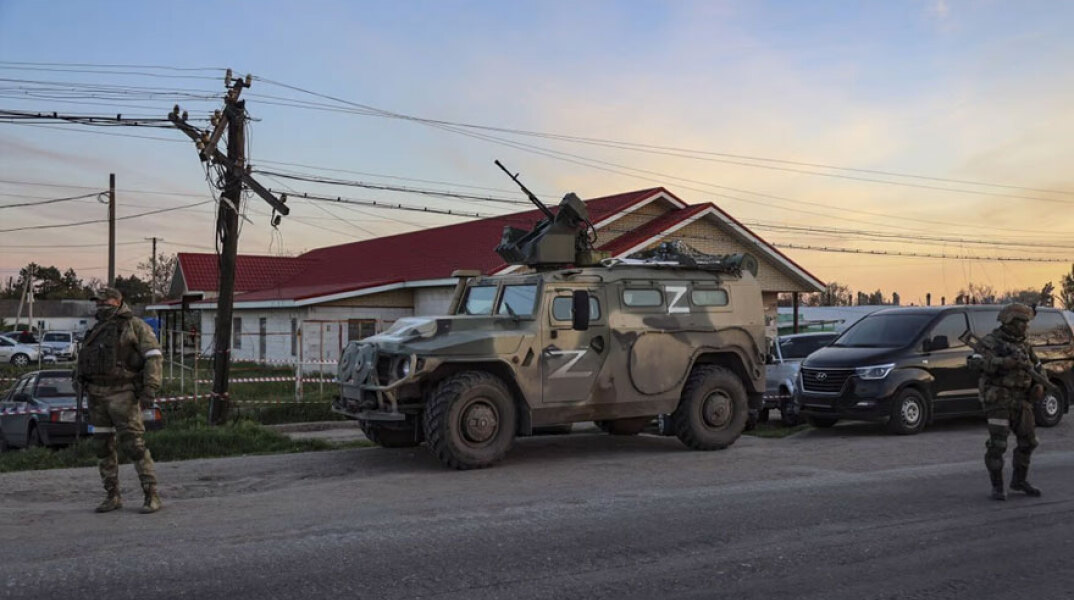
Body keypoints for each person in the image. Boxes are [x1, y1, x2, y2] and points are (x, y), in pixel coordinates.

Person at [75, 287, 164, 513]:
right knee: (102, 446)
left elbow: (153, 357)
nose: (101, 305)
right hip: (97, 395)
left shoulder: (135, 326)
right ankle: (112, 495)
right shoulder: (96, 329)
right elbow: (85, 359)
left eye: (105, 301)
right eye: (98, 302)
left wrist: (150, 388)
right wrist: (78, 379)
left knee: (134, 445)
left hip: (123, 394)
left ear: (118, 301)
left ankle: (151, 495)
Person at [969, 303, 1044, 501]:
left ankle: (1019, 481)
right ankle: (997, 486)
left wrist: (1040, 386)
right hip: (999, 400)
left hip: (1022, 400)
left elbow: (1038, 367)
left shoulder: (1024, 345)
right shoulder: (990, 342)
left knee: (1029, 442)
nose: (1025, 327)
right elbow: (974, 362)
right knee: (998, 445)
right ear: (1011, 322)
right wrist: (1003, 363)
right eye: (1022, 323)